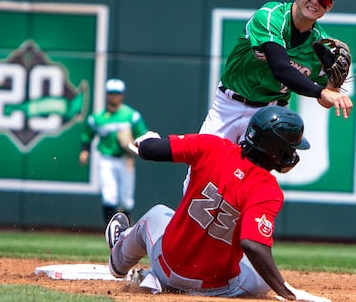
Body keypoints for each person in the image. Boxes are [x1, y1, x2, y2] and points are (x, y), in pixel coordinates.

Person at [104, 106, 330, 301]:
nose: (293, 154)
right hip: (218, 287)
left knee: (158, 213)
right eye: (291, 148)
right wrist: (286, 291)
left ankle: (119, 261)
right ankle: (158, 280)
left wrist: (146, 142)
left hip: (167, 267)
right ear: (277, 151)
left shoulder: (212, 147)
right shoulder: (268, 189)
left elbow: (149, 150)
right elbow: (252, 244)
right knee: (265, 279)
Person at [186, 0, 354, 193]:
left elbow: (325, 100)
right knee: (198, 176)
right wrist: (320, 92)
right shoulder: (270, 15)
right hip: (229, 103)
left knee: (242, 189)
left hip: (268, 117)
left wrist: (332, 87)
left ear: (329, 6)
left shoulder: (319, 47)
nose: (314, 1)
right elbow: (280, 68)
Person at [79, 78, 148, 224]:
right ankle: (109, 230)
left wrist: (134, 145)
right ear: (106, 95)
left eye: (117, 93)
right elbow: (87, 135)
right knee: (109, 196)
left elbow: (143, 135)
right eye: (111, 93)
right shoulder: (97, 118)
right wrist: (84, 151)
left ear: (122, 95)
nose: (114, 96)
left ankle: (128, 232)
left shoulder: (131, 115)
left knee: (126, 199)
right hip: (106, 159)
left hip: (125, 159)